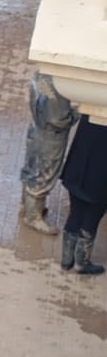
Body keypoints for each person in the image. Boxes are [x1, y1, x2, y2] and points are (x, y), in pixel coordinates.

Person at [20, 72, 78, 234]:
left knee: (31, 167)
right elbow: (58, 119)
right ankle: (33, 216)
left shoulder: (42, 75)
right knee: (45, 172)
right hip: (52, 135)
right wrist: (75, 114)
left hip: (37, 127)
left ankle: (26, 204)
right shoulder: (59, 84)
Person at [60, 115, 107, 275]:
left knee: (76, 209)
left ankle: (66, 259)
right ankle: (82, 262)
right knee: (93, 214)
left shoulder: (93, 94)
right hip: (100, 174)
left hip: (79, 165)